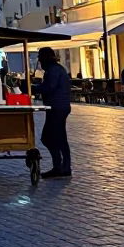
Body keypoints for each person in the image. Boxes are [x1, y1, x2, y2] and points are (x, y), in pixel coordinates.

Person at [38, 47, 72, 178]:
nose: (39, 60)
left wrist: (34, 88)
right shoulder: (56, 69)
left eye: (40, 57)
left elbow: (49, 87)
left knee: (48, 137)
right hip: (60, 106)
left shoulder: (53, 70)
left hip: (57, 107)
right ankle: (63, 166)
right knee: (60, 137)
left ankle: (60, 166)